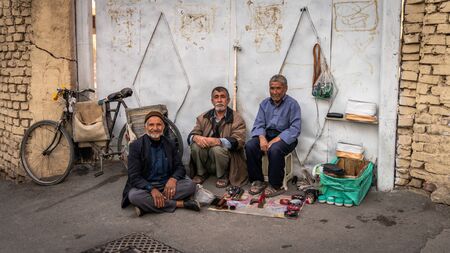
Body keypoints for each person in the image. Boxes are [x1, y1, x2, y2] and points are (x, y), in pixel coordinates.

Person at [121, 111, 200, 216]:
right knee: (134, 196)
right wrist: (152, 189)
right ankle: (180, 203)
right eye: (151, 125)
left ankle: (147, 206)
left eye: (159, 124)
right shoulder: (136, 146)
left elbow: (180, 167)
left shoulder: (170, 144)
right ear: (146, 128)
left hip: (166, 184)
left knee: (190, 185)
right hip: (146, 186)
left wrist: (173, 179)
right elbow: (134, 176)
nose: (155, 128)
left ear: (163, 127)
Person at [245, 74, 301, 197]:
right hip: (267, 135)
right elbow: (259, 124)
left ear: (285, 88)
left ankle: (275, 185)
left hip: (286, 138)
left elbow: (295, 129)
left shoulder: (293, 104)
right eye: (272, 88)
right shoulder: (264, 104)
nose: (275, 92)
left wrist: (274, 140)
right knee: (250, 146)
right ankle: (258, 180)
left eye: (278, 88)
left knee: (275, 149)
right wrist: (262, 137)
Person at [188, 86, 247, 188]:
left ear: (228, 100)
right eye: (216, 97)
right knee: (195, 146)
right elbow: (191, 135)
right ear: (212, 101)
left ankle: (223, 175)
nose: (219, 100)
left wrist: (218, 141)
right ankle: (201, 173)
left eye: (222, 97)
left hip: (226, 160)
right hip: (208, 159)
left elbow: (239, 141)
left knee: (217, 149)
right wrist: (195, 138)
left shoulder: (237, 118)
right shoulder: (203, 117)